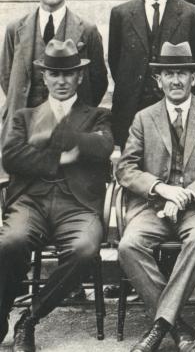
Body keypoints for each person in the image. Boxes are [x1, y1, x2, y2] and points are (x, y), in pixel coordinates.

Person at [116, 42, 195, 352]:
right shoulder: (144, 118)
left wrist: (187, 195)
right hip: (151, 206)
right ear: (159, 80)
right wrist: (161, 188)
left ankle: (159, 326)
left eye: (182, 73)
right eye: (169, 74)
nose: (176, 81)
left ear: (193, 78)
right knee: (129, 245)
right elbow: (126, 168)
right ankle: (177, 325)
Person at [0, 40, 113, 352]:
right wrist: (58, 158)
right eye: (55, 74)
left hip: (76, 205)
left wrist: (54, 136)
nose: (61, 81)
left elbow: (103, 147)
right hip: (30, 202)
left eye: (68, 74)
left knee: (85, 249)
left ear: (79, 77)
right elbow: (11, 156)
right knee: (10, 242)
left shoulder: (97, 116)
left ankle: (30, 318)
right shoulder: (24, 116)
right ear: (44, 77)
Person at [109, 0, 195, 147]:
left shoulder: (191, 15)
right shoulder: (121, 14)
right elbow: (116, 63)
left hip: (175, 109)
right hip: (130, 110)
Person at [1, 0, 107, 143]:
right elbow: (7, 78)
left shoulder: (87, 30)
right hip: (25, 126)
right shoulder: (15, 29)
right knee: (25, 169)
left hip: (71, 126)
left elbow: (98, 82)